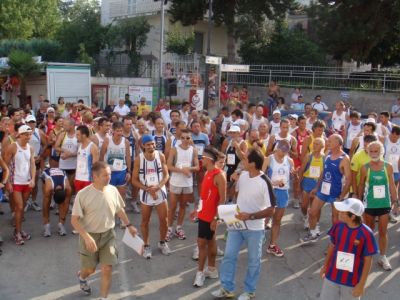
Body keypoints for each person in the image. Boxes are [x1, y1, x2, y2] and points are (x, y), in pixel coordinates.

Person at [212, 149, 275, 300]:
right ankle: (227, 288)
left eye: (245, 159)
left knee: (254, 260)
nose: (243, 162)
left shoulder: (265, 181)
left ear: (253, 163)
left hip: (255, 228)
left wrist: (250, 216)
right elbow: (233, 193)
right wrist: (233, 180)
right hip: (236, 224)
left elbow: (271, 209)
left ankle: (250, 290)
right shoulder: (243, 175)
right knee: (228, 256)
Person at [71, 161, 138, 298]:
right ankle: (82, 276)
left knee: (107, 268)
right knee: (90, 269)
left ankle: (103, 297)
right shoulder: (83, 194)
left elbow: (119, 209)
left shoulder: (113, 190)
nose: (109, 178)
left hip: (108, 235)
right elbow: (74, 220)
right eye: (105, 175)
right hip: (90, 237)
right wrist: (87, 237)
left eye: (110, 174)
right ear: (94, 177)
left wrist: (129, 225)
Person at [320, 198, 377, 300]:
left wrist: (361, 285)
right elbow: (331, 246)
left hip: (351, 281)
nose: (339, 213)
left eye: (342, 212)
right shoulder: (337, 226)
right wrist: (325, 266)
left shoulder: (366, 233)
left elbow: (368, 260)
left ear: (353, 216)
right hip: (332, 275)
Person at [301, 134, 351, 244]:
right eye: (327, 141)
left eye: (330, 141)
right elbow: (324, 172)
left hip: (336, 193)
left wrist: (342, 196)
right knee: (312, 212)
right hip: (323, 190)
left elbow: (348, 180)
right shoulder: (328, 154)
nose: (327, 143)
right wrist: (316, 187)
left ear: (338, 143)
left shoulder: (344, 158)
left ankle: (334, 243)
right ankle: (313, 233)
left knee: (335, 219)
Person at [358, 141, 398, 271]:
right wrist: (359, 202)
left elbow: (392, 185)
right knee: (369, 231)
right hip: (369, 204)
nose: (374, 154)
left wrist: (395, 200)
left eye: (376, 151)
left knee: (382, 231)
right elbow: (361, 185)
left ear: (381, 152)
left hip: (384, 204)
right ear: (368, 152)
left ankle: (383, 256)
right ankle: (366, 255)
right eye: (371, 151)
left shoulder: (388, 166)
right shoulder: (365, 167)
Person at [131, 135, 170, 258]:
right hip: (146, 192)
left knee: (164, 220)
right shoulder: (139, 159)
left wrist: (157, 188)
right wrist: (148, 189)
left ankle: (162, 242)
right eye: (148, 144)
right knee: (145, 221)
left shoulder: (161, 156)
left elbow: (166, 175)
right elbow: (134, 180)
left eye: (152, 144)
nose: (151, 146)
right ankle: (146, 245)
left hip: (159, 191)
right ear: (143, 145)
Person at [192, 146, 226, 287]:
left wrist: (216, 218)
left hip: (210, 217)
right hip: (203, 214)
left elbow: (223, 199)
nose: (201, 159)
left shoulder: (219, 175)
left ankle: (200, 273)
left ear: (209, 159)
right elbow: (204, 196)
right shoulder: (207, 172)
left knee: (201, 243)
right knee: (211, 241)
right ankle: (211, 270)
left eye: (203, 157)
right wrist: (197, 210)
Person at [4, 125, 36, 245]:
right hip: (16, 182)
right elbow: (5, 166)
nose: (29, 136)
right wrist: (7, 182)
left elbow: (32, 164)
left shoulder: (30, 148)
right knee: (20, 207)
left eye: (30, 134)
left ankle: (18, 230)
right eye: (26, 134)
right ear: (20, 135)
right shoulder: (13, 147)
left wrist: (33, 179)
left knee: (22, 210)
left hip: (27, 182)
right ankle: (17, 233)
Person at [166, 129, 199, 241]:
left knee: (183, 206)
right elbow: (168, 166)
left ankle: (179, 228)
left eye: (188, 138)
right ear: (180, 138)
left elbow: (197, 167)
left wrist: (187, 169)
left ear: (191, 139)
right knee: (172, 207)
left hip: (187, 183)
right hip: (175, 182)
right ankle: (169, 228)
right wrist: (182, 170)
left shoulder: (193, 150)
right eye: (183, 138)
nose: (185, 140)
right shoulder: (174, 150)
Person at [264, 140, 294, 257]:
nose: (284, 153)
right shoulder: (269, 159)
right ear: (277, 148)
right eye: (282, 150)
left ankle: (272, 245)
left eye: (286, 151)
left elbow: (290, 176)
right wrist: (273, 182)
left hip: (283, 192)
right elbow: (261, 177)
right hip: (270, 191)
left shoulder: (290, 160)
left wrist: (293, 174)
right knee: (265, 218)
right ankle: (256, 240)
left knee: (277, 220)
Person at [100, 121, 131, 203]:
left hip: (121, 171)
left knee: (122, 194)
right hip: (110, 171)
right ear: (113, 130)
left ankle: (120, 214)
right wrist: (101, 170)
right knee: (108, 194)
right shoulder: (107, 140)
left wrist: (128, 171)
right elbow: (101, 155)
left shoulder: (126, 141)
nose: (119, 133)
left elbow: (128, 157)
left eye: (121, 131)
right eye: (117, 130)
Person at [299, 137, 325, 230]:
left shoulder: (325, 158)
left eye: (317, 144)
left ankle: (316, 223)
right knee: (304, 205)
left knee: (317, 206)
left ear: (322, 146)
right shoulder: (308, 156)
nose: (314, 145)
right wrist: (299, 185)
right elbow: (301, 170)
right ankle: (306, 217)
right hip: (307, 182)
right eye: (314, 143)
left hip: (318, 183)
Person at [42, 167, 72, 237]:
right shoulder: (48, 188)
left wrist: (63, 219)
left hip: (61, 174)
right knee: (47, 201)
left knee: (63, 204)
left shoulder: (68, 188)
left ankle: (61, 225)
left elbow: (66, 203)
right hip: (47, 174)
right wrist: (46, 221)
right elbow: (45, 205)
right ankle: (46, 225)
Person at [56, 119, 78, 194]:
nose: (63, 126)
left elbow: (81, 151)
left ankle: (70, 201)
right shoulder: (63, 134)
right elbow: (56, 147)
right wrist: (64, 151)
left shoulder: (78, 135)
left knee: (71, 185)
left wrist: (70, 155)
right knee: (62, 184)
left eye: (65, 125)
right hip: (63, 165)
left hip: (74, 166)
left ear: (72, 126)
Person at [75, 125, 99, 193]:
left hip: (87, 179)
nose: (76, 137)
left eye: (78, 135)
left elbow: (95, 166)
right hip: (78, 177)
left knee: (88, 201)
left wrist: (94, 179)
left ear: (84, 135)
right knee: (79, 200)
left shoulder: (92, 147)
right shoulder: (80, 145)